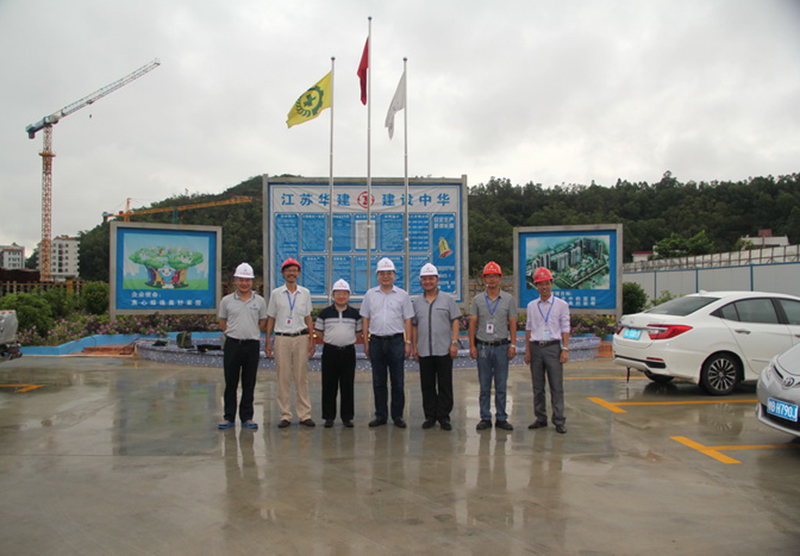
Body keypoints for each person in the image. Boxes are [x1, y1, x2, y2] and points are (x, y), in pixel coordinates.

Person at [360, 257, 414, 428]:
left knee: (398, 381)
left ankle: (397, 416)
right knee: (378, 381)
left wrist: (407, 342)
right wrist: (366, 342)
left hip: (396, 341)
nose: (385, 276)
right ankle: (381, 415)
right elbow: (365, 319)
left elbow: (408, 320)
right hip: (376, 341)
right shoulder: (370, 295)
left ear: (394, 275)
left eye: (389, 273)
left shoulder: (402, 295)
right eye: (382, 273)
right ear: (377, 276)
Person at [265, 258, 316, 428]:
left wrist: (311, 340)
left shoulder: (305, 293)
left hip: (301, 338)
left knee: (301, 377)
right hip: (282, 338)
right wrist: (267, 342)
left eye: (294, 271)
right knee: (283, 377)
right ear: (283, 273)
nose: (292, 274)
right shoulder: (276, 294)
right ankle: (285, 415)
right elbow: (271, 318)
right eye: (288, 271)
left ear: (298, 273)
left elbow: (308, 318)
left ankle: (304, 414)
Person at [411, 263, 461, 431]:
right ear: (421, 281)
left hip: (444, 349)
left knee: (445, 384)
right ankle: (430, 416)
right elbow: (414, 326)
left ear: (437, 280)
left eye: (431, 278)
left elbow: (455, 321)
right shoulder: (417, 302)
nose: (428, 282)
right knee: (427, 385)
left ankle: (444, 416)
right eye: (424, 279)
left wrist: (454, 342)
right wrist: (415, 347)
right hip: (424, 350)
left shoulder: (447, 299)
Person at [218, 262, 267, 430]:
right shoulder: (226, 301)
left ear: (252, 282)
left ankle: (247, 417)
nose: (244, 283)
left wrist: (251, 332)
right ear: (235, 281)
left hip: (251, 345)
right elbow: (222, 321)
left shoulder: (259, 301)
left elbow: (262, 322)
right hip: (232, 344)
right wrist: (232, 332)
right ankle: (228, 417)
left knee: (249, 382)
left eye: (247, 280)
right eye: (241, 280)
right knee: (230, 383)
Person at [469, 261, 518, 431]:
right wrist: (472, 346)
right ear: (484, 279)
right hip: (483, 346)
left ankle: (502, 417)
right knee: (484, 385)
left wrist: (513, 344)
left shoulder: (508, 299)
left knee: (501, 384)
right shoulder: (477, 300)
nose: (491, 279)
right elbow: (473, 323)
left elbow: (512, 322)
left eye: (494, 276)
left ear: (500, 278)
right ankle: (485, 417)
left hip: (501, 347)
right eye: (488, 276)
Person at [524, 267, 570, 434]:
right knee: (538, 386)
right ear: (536, 286)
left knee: (556, 386)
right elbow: (529, 328)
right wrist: (528, 351)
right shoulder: (531, 306)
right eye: (540, 284)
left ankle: (558, 420)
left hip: (553, 348)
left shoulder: (561, 305)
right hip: (536, 347)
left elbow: (565, 327)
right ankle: (540, 417)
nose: (544, 287)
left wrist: (565, 349)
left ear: (552, 283)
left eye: (547, 283)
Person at [314, 279, 362, 428]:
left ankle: (347, 417)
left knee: (347, 385)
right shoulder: (325, 313)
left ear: (349, 295)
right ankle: (329, 417)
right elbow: (318, 332)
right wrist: (331, 340)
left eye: (344, 293)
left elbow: (358, 333)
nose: (341, 296)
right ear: (333, 295)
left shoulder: (355, 314)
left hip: (348, 352)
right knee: (329, 385)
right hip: (330, 352)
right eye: (338, 293)